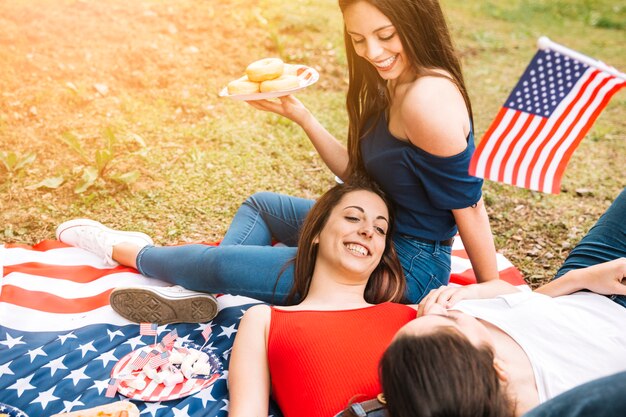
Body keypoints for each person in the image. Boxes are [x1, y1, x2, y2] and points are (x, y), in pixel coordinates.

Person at [56, 0, 499, 324]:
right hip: (373, 221)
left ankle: (132, 250)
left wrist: (491, 285)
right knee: (261, 205)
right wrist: (301, 115)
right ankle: (202, 282)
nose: (371, 51)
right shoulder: (397, 79)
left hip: (406, 263)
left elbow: (470, 205)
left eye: (385, 35)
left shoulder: (428, 101)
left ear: (415, 20)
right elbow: (361, 176)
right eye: (358, 38)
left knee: (222, 264)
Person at [379, 187, 626, 417]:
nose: (439, 310)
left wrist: (579, 278)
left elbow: (522, 301)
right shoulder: (571, 401)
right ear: (498, 369)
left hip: (588, 279)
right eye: (448, 318)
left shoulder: (456, 344)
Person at [227, 178, 417, 417]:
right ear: (317, 231)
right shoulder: (265, 321)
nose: (368, 231)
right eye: (353, 218)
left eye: (380, 229)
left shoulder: (417, 315)